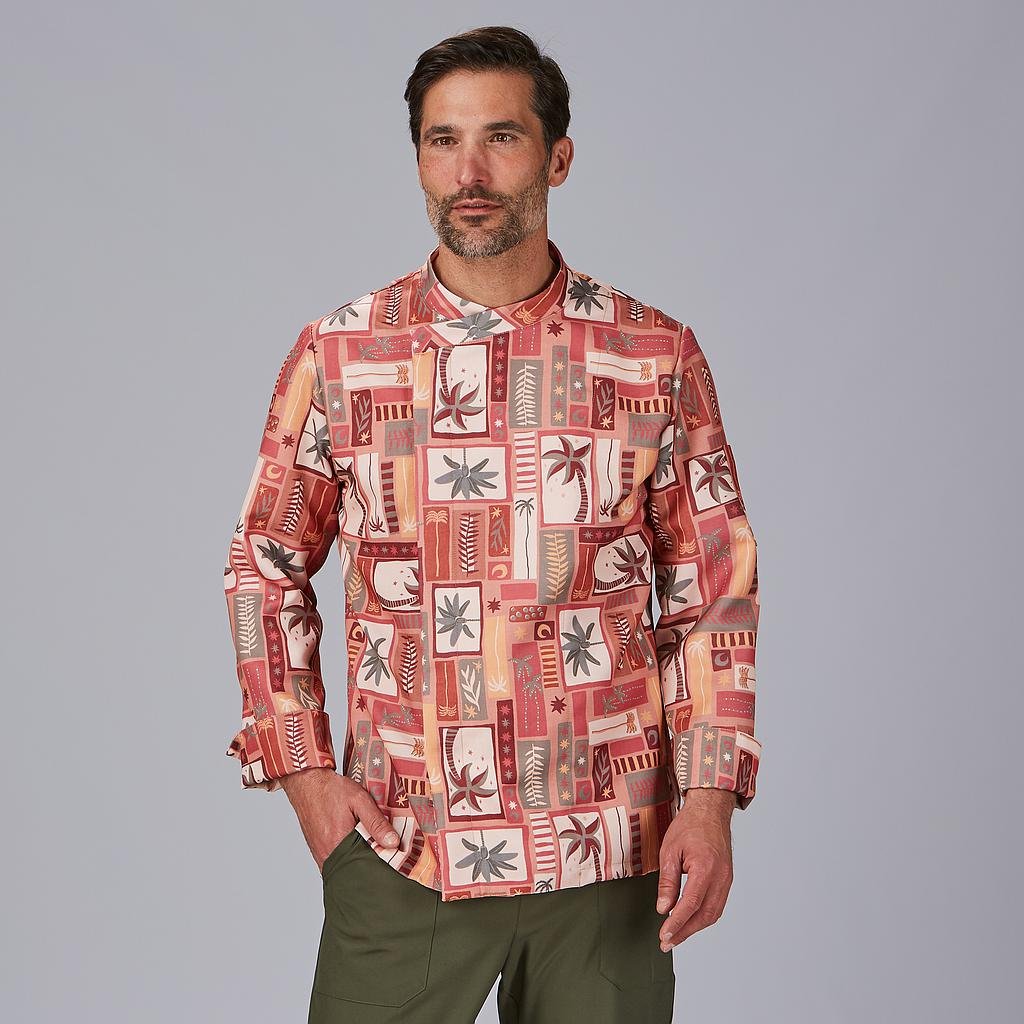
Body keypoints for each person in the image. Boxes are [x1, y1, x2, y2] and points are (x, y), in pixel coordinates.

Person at [222, 24, 761, 1024]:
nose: (469, 172)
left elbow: (712, 590)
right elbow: (263, 564)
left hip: (612, 849)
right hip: (406, 843)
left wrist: (708, 797)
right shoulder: (340, 355)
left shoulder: (654, 354)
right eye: (444, 140)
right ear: (419, 160)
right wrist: (304, 774)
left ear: (558, 156)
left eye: (501, 138)